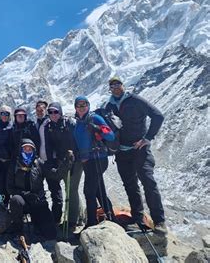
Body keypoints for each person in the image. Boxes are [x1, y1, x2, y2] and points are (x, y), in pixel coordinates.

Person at [104, 76, 167, 235]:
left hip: (140, 150)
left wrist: (147, 138)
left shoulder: (135, 100)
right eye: (112, 85)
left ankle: (159, 221)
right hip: (122, 152)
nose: (116, 87)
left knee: (148, 181)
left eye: (118, 84)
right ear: (110, 89)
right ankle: (138, 218)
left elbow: (158, 116)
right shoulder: (110, 105)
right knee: (130, 185)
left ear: (123, 85)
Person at [73, 96, 115, 228]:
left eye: (84, 104)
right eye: (79, 105)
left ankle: (91, 223)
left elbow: (111, 136)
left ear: (88, 105)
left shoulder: (95, 118)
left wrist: (98, 129)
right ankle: (112, 218)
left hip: (98, 158)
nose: (81, 107)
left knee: (89, 191)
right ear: (75, 107)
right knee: (98, 190)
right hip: (87, 161)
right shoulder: (78, 122)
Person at [7, 138, 56, 239]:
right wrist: (25, 194)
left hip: (37, 201)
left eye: (30, 149)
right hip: (23, 201)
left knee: (51, 234)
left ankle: (37, 223)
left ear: (34, 150)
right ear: (21, 150)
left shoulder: (39, 163)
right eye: (25, 149)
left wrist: (65, 165)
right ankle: (18, 229)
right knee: (15, 200)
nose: (28, 151)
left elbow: (54, 175)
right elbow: (9, 188)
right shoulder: (14, 165)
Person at [39, 102, 76, 226]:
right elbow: (49, 145)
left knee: (71, 189)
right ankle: (58, 220)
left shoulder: (68, 123)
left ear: (60, 112)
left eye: (56, 112)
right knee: (61, 190)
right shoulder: (49, 125)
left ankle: (73, 220)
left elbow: (75, 139)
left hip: (71, 159)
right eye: (51, 112)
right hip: (57, 161)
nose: (53, 114)